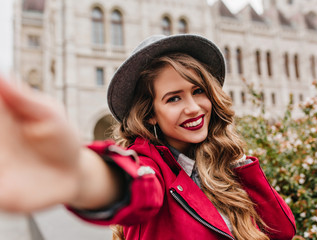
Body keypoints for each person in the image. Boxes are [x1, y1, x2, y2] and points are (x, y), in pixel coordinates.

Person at [0, 34, 296, 240]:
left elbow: (282, 230)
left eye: (198, 91)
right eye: (173, 99)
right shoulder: (150, 166)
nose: (193, 108)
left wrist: (237, 163)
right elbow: (134, 183)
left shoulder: (220, 158)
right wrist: (77, 174)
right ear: (150, 113)